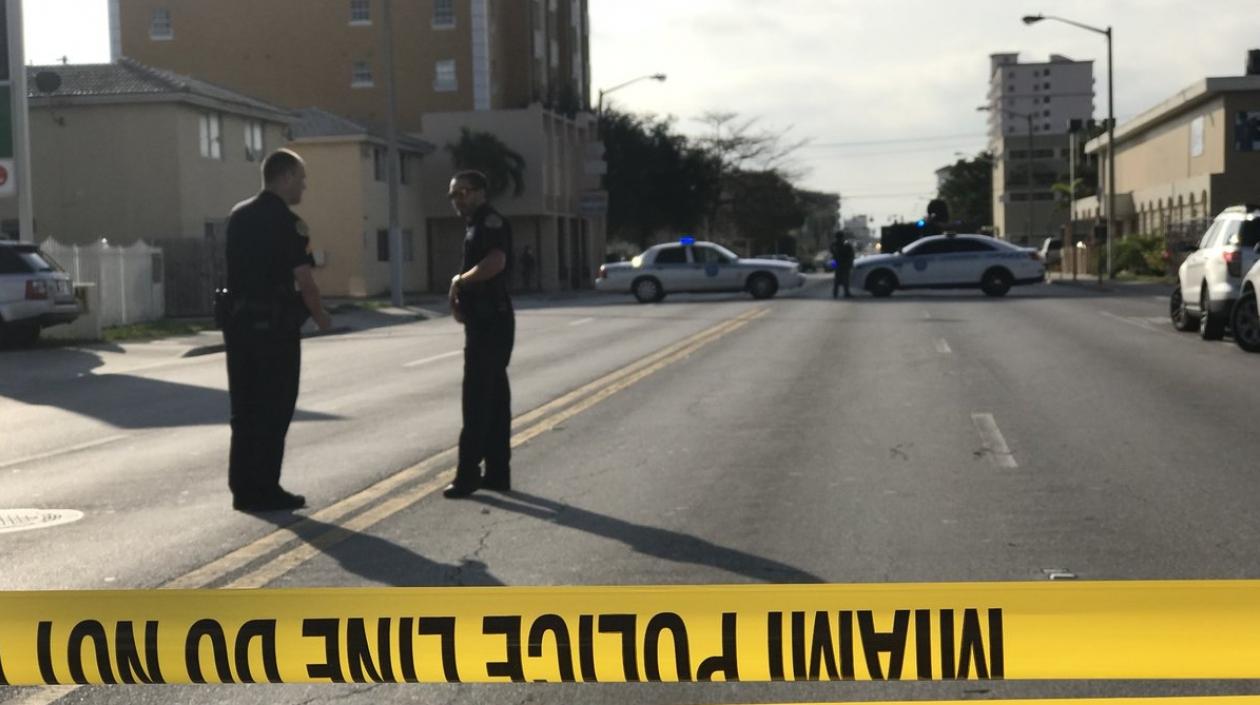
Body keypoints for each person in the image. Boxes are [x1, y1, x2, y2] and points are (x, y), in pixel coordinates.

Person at [224, 148, 332, 512]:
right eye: (300, 179)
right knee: (274, 408)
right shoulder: (288, 223)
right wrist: (322, 319)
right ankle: (266, 488)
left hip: (238, 328)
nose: (304, 186)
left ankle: (242, 489)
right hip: (274, 329)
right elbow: (305, 281)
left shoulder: (238, 216)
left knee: (244, 409)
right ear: (284, 178)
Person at [444, 170, 515, 499]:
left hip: (491, 323)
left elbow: (496, 262)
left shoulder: (489, 223)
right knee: (495, 400)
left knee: (476, 400)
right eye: (453, 195)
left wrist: (461, 281)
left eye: (463, 192)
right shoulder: (474, 224)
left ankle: (467, 475)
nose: (457, 200)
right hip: (486, 320)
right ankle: (498, 472)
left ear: (481, 192)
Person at [830, 231, 856, 299]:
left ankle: (841, 293)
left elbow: (851, 255)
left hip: (843, 264)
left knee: (842, 279)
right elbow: (833, 255)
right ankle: (841, 293)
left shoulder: (843, 244)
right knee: (842, 279)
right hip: (842, 264)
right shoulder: (839, 245)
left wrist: (834, 266)